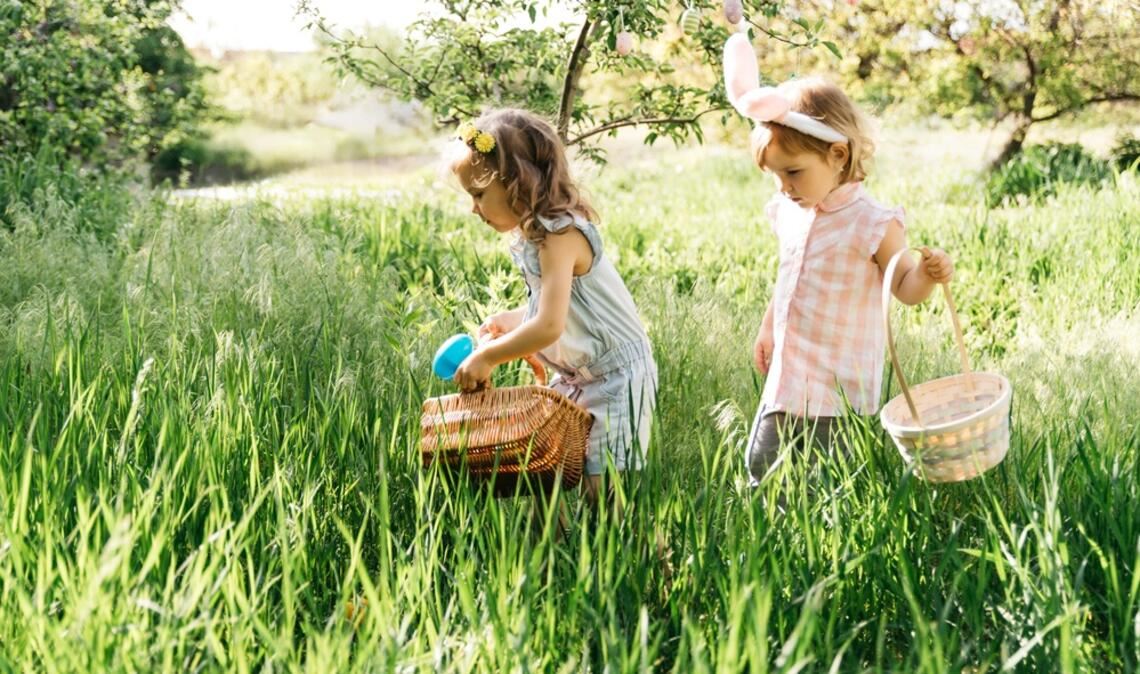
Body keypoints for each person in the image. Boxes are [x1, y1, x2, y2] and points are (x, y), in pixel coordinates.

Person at [722, 33, 955, 484]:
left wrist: (928, 274)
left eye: (793, 172)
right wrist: (769, 324)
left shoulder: (872, 223)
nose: (784, 187)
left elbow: (904, 287)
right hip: (790, 376)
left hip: (838, 386)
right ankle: (772, 544)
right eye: (775, 176)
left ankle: (821, 546)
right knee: (762, 464)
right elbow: (788, 274)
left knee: (829, 481)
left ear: (837, 154)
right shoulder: (792, 211)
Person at [448, 108, 658, 505]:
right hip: (579, 376)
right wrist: (509, 322)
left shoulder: (562, 236)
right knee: (545, 474)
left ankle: (658, 565)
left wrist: (490, 356)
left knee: (606, 494)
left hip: (617, 378)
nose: (474, 208)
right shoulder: (535, 237)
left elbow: (549, 327)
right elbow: (551, 309)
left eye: (478, 194)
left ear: (515, 184)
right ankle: (549, 563)